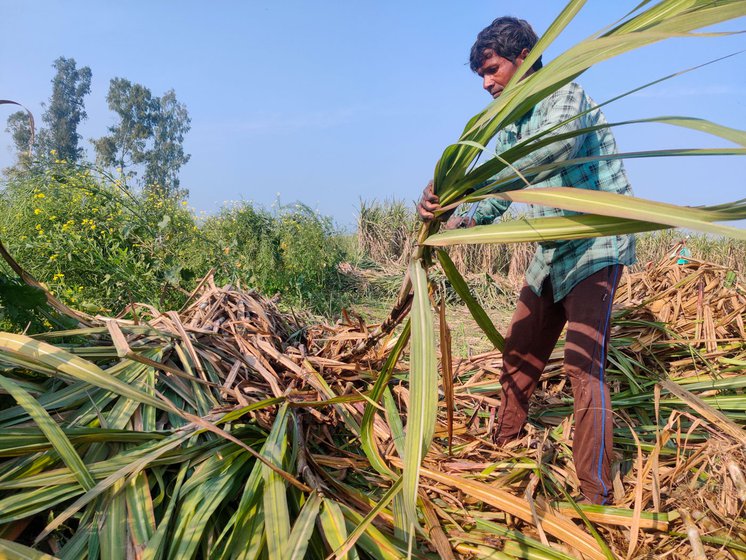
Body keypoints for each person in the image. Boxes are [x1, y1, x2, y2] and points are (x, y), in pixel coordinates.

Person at [417, 16, 636, 505]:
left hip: (595, 244)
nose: (486, 83)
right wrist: (454, 215)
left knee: (582, 368)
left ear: (522, 60)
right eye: (481, 75)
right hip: (551, 249)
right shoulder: (510, 124)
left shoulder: (566, 95)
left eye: (492, 70)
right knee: (518, 351)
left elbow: (550, 155)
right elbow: (497, 199)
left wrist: (474, 184)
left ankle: (593, 495)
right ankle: (504, 445)